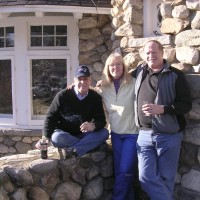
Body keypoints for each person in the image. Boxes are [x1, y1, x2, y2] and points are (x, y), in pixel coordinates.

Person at [131, 40, 192, 200]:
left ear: (162, 53)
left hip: (169, 135)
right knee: (145, 177)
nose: (151, 55)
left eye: (154, 52)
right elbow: (118, 78)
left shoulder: (175, 75)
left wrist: (163, 109)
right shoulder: (139, 72)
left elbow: (186, 105)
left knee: (166, 179)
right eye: (148, 53)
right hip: (144, 135)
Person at [35, 65, 109, 159]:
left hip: (84, 135)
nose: (83, 82)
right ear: (74, 81)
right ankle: (90, 146)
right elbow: (51, 117)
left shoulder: (95, 97)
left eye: (86, 79)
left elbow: (101, 121)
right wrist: (45, 137)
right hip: (65, 135)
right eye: (80, 79)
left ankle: (73, 150)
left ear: (90, 81)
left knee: (104, 133)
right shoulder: (62, 95)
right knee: (56, 137)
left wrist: (92, 125)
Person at [98, 52, 138, 200]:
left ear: (123, 66)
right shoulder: (103, 86)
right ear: (108, 68)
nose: (115, 67)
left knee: (126, 170)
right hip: (115, 134)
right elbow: (86, 93)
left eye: (118, 64)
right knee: (120, 172)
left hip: (132, 134)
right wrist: (71, 87)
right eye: (112, 65)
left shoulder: (134, 83)